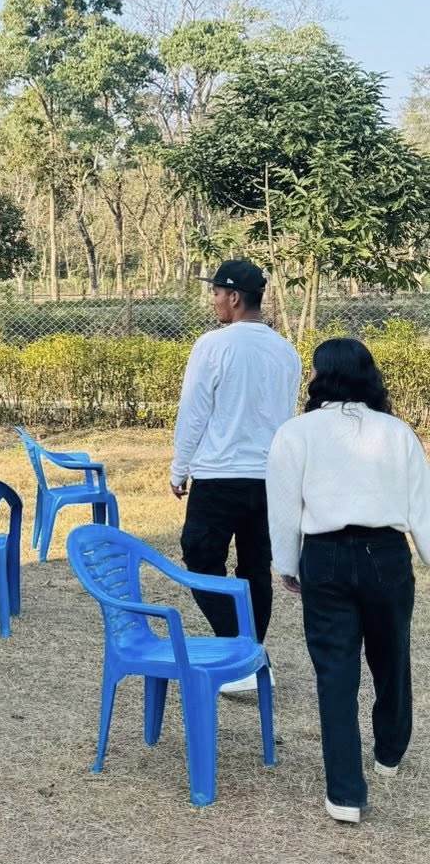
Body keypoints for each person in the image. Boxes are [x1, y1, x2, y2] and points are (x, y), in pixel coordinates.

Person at [267, 338, 430, 825]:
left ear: (320, 377)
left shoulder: (295, 433)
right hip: (387, 554)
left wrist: (287, 564)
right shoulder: (397, 432)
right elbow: (421, 507)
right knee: (392, 656)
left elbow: (284, 507)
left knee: (335, 674)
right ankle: (390, 749)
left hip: (325, 556)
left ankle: (345, 794)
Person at [170, 260, 302, 688]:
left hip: (219, 475)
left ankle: (240, 652)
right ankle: (252, 655)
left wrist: (179, 467)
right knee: (255, 569)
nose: (213, 301)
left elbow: (194, 412)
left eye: (215, 293)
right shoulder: (286, 351)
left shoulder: (212, 345)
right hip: (269, 477)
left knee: (199, 557)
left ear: (234, 297)